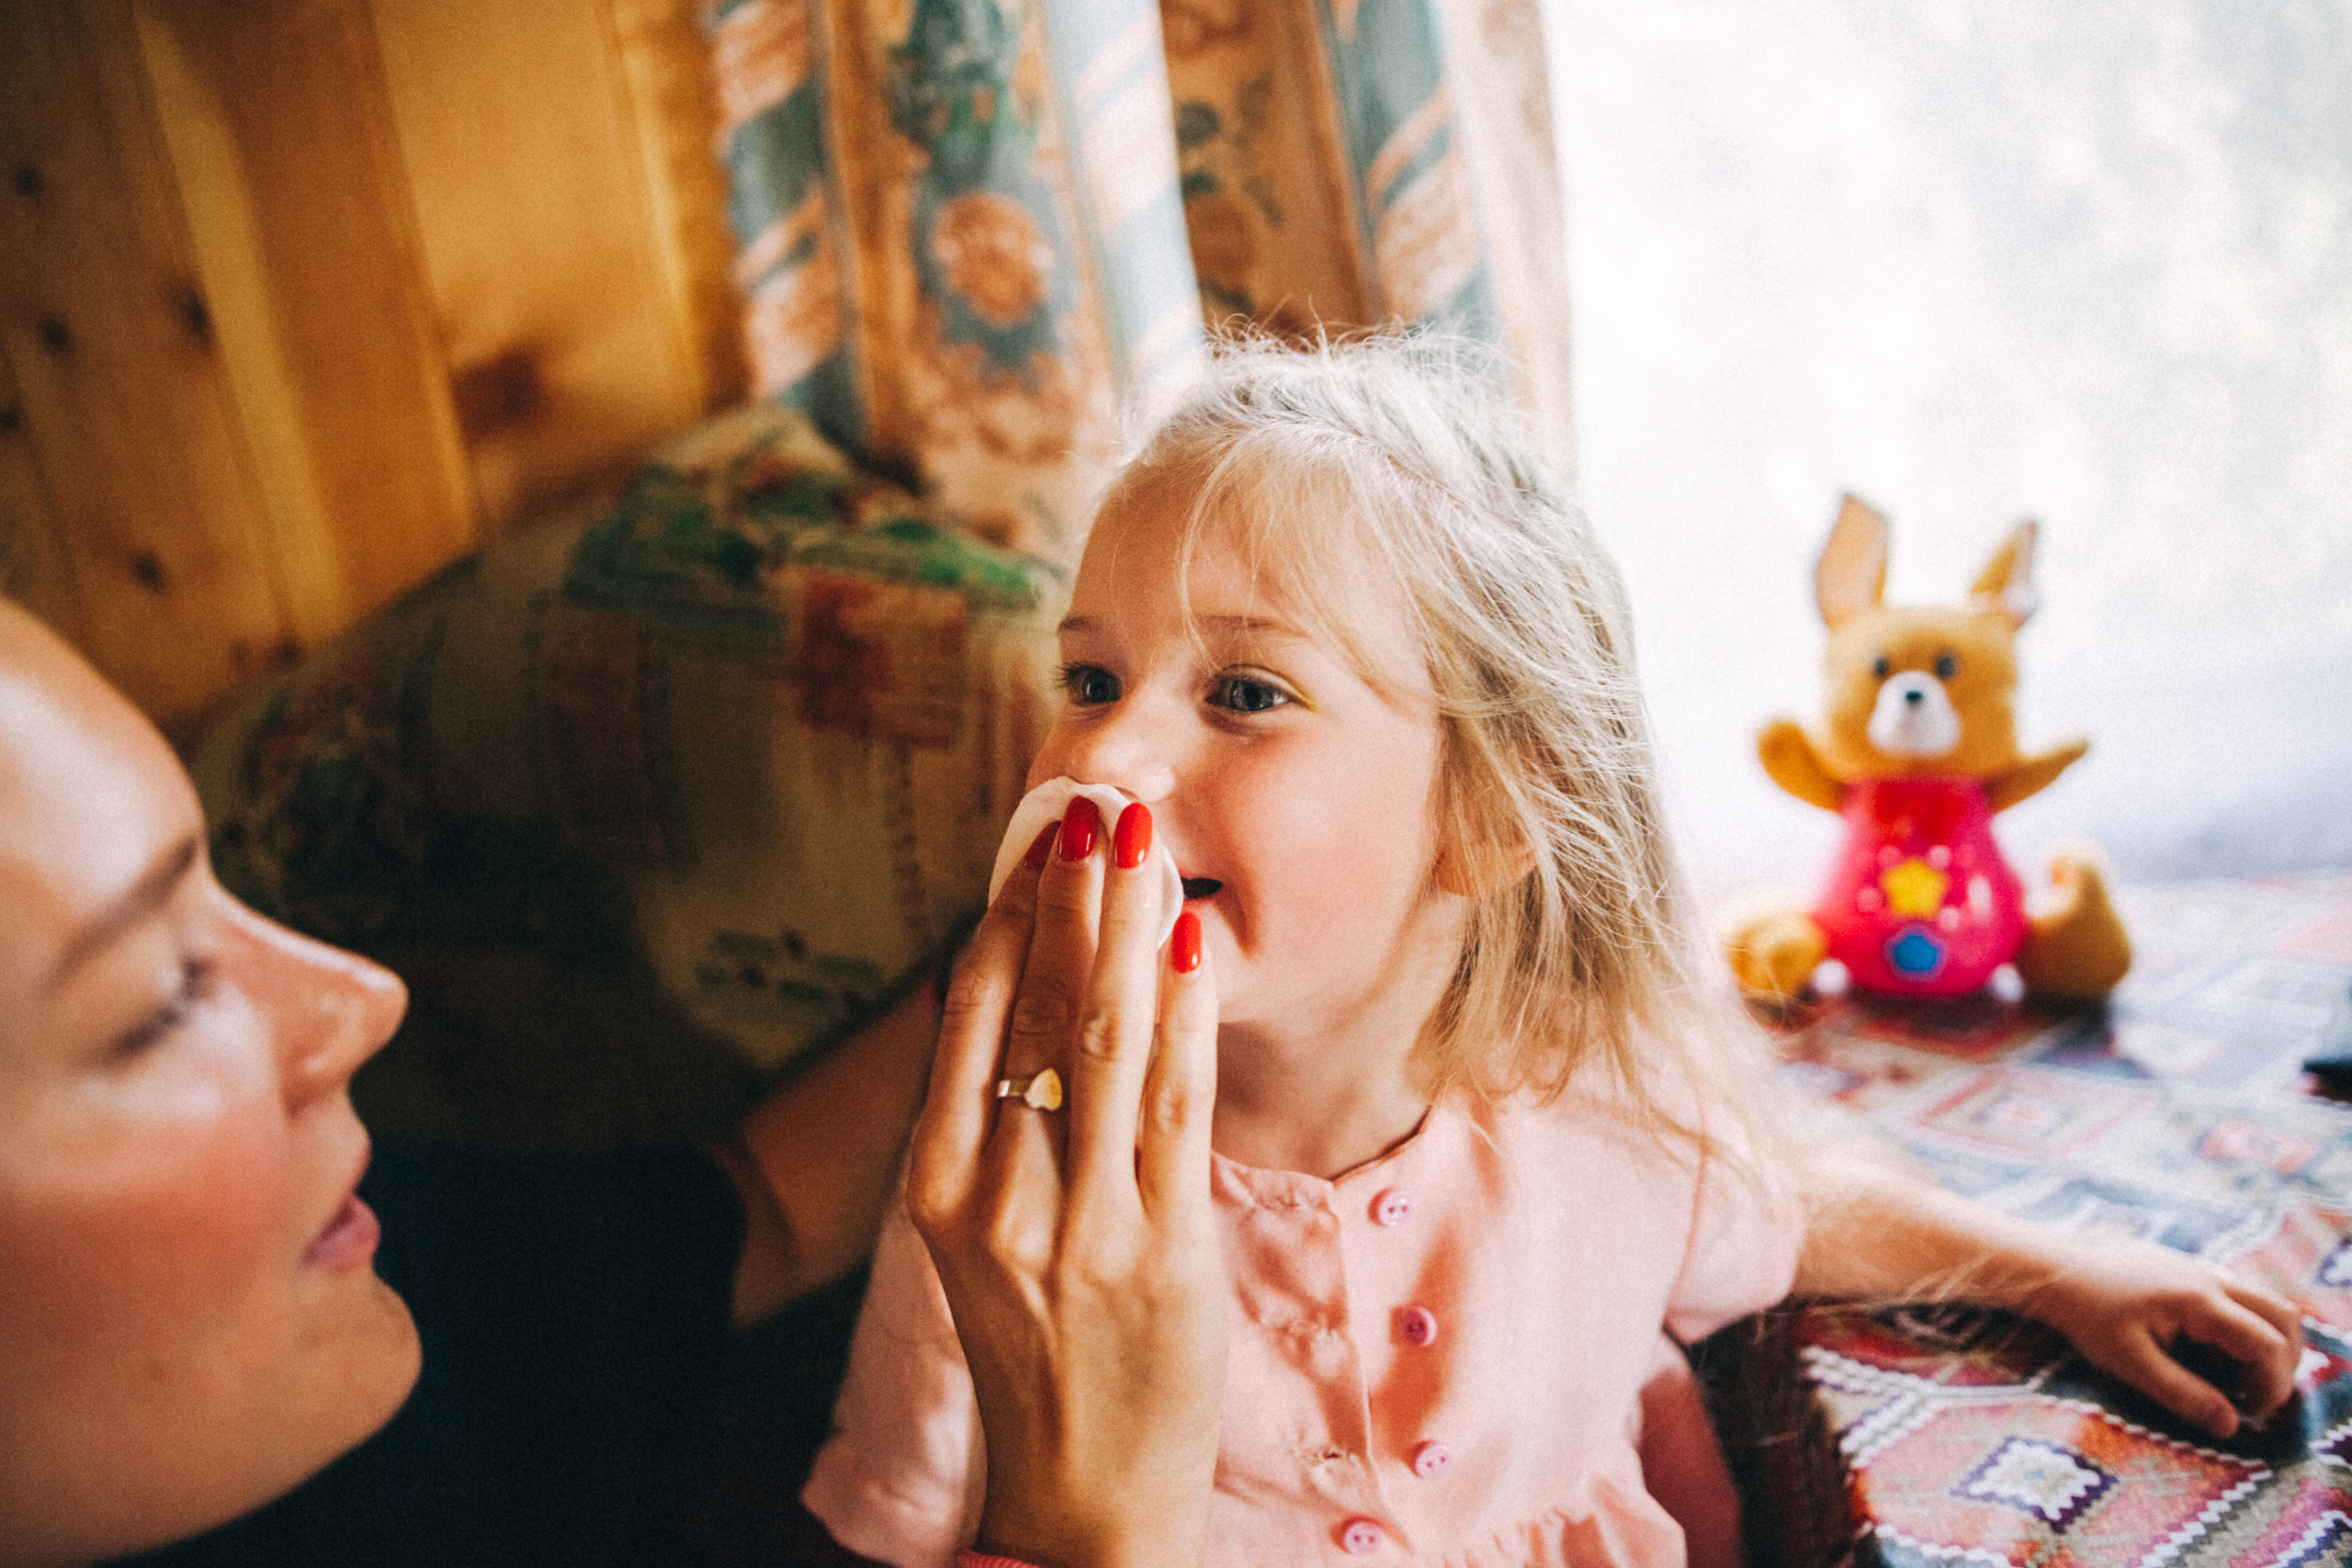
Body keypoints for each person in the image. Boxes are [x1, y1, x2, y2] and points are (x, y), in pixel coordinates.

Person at [804, 336, 2309, 1568]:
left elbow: (1777, 1205)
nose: (1107, 754)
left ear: (1493, 815)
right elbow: (890, 1528)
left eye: (1247, 689)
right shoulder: (1017, 1208)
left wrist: (2059, 1270)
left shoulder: (1594, 1112)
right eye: (1090, 674)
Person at [0, 596, 939, 1567]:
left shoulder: (347, 1258)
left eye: (219, 893)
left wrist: (1011, 967)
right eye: (166, 998)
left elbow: (763, 1213)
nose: (365, 1000)